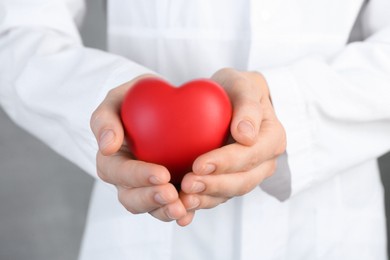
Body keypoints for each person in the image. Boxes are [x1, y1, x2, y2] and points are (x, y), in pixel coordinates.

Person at [1, 0, 390, 259]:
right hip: (142, 209)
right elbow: (15, 32)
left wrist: (283, 104)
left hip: (332, 231)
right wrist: (118, 110)